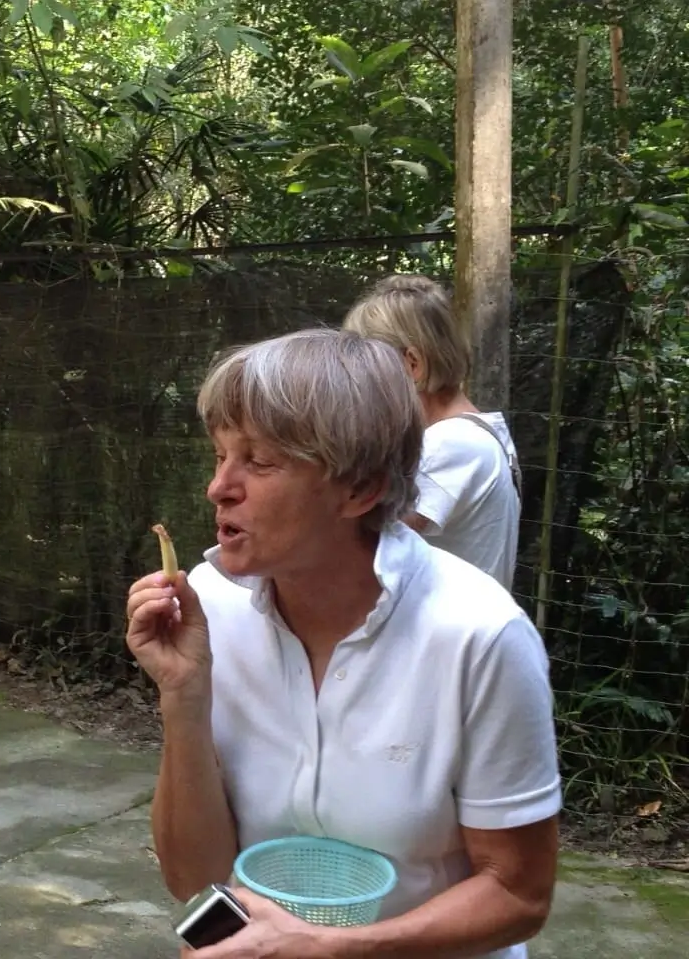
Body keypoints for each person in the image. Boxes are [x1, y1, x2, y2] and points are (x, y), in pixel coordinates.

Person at [125, 328, 560, 959]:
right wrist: (183, 697)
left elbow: (519, 895)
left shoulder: (480, 635)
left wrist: (333, 947)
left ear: (360, 489)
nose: (219, 487)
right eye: (220, 456)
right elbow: (196, 881)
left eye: (259, 461)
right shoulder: (210, 605)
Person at [343, 274, 522, 590]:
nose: (358, 387)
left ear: (412, 364)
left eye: (367, 371)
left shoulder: (451, 444)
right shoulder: (477, 434)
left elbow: (357, 551)